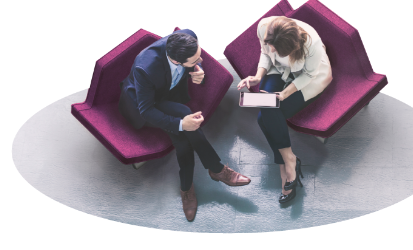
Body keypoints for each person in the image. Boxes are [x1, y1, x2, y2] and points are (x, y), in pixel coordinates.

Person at [119, 29, 251, 221]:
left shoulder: (188, 37)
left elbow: (197, 65)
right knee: (183, 119)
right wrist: (181, 124)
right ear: (176, 61)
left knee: (182, 140)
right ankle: (214, 170)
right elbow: (146, 111)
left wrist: (198, 72)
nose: (200, 60)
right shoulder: (145, 68)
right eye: (194, 61)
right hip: (146, 103)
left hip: (169, 93)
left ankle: (188, 187)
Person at [237, 16, 332, 204]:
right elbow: (265, 53)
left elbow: (308, 75)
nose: (272, 49)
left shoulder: (312, 44)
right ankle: (289, 160)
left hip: (308, 79)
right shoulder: (264, 27)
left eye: (276, 48)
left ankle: (284, 162)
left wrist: (285, 93)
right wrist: (257, 77)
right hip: (278, 70)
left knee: (265, 117)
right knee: (267, 107)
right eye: (271, 45)